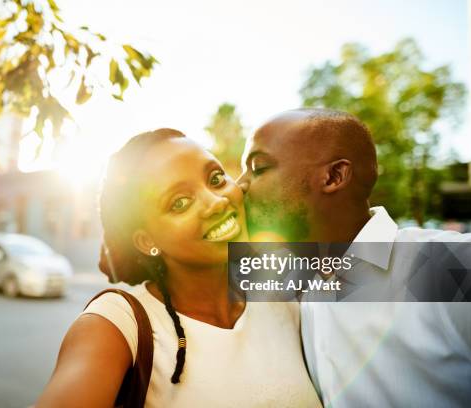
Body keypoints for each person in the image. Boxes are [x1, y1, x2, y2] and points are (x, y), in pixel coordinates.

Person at [37, 129, 321, 407]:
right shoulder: (115, 324)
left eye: (216, 178)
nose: (217, 202)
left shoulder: (284, 289)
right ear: (147, 240)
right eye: (180, 203)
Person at [237, 108, 471, 407]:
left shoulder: (455, 264)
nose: (239, 186)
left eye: (258, 168)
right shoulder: (291, 283)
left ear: (334, 176)